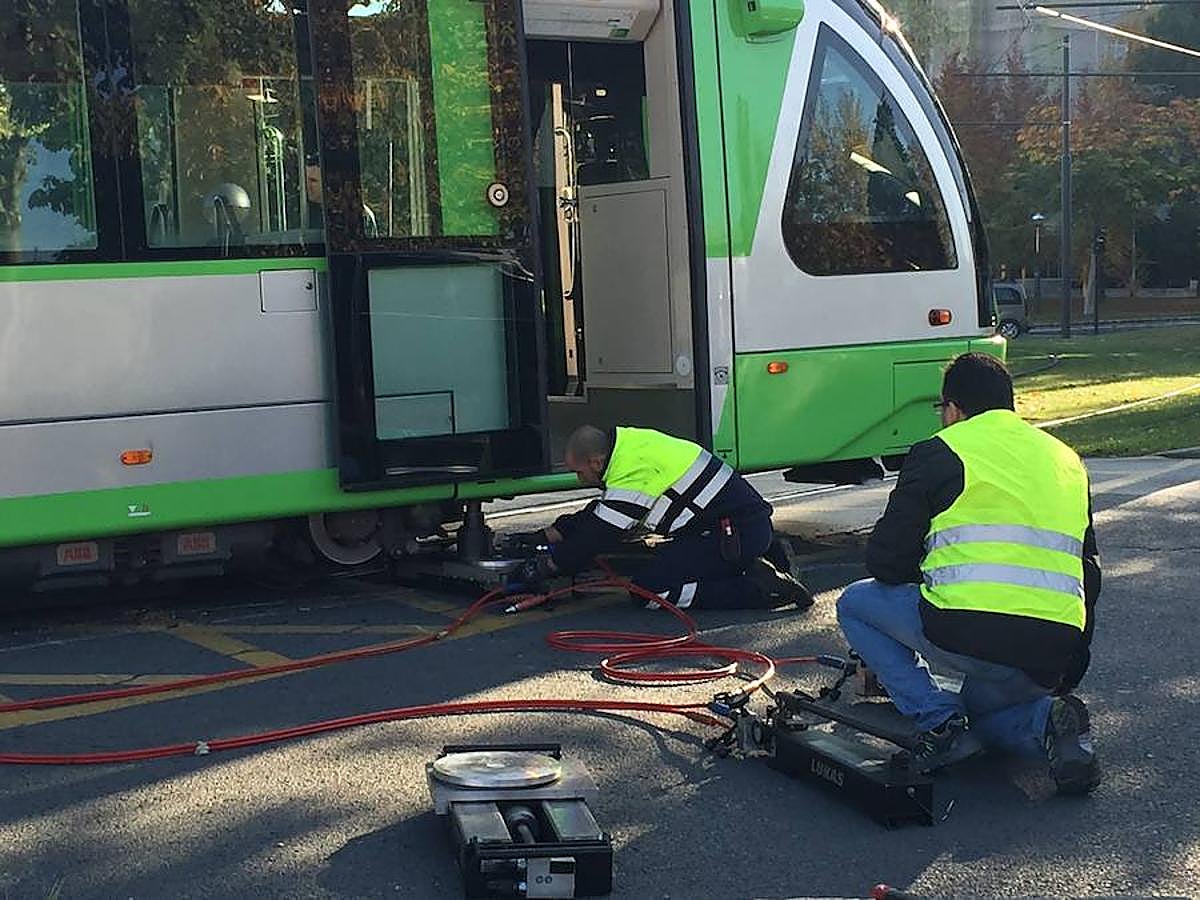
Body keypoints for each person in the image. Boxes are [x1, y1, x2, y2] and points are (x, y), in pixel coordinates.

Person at [836, 352, 1102, 793]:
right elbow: (1088, 573)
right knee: (982, 717)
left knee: (855, 604)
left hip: (967, 632)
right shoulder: (1066, 459)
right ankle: (1046, 722)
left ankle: (937, 720)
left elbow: (884, 562)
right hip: (1052, 650)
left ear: (953, 408)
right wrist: (1066, 665)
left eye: (942, 410)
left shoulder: (940, 451)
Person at [512, 425, 810, 610]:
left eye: (580, 472)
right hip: (736, 527)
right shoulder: (631, 447)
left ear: (596, 461)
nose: (579, 479)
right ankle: (767, 555)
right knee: (667, 563)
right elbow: (604, 512)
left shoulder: (632, 473)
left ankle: (762, 589)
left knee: (650, 590)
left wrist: (548, 566)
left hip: (733, 535)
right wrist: (550, 534)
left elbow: (598, 534)